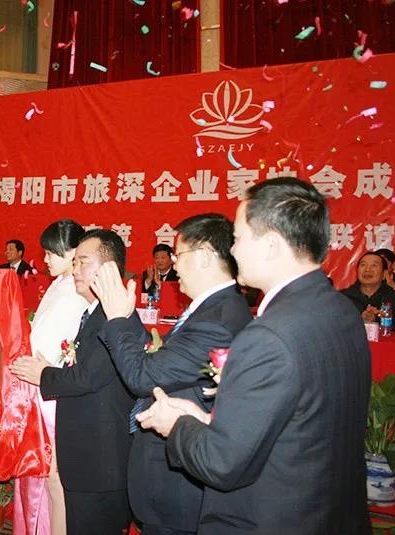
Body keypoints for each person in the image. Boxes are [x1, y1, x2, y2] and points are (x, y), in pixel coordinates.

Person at [139, 178, 372, 534]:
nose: (232, 251)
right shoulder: (341, 311)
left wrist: (176, 424)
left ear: (271, 245)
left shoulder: (267, 336)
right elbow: (295, 425)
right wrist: (205, 421)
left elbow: (222, 463)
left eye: (238, 238)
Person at [92, 214, 252, 535]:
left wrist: (116, 319)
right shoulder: (213, 309)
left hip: (179, 486)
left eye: (179, 254)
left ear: (204, 255)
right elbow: (161, 361)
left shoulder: (217, 320)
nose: (174, 263)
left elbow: (143, 377)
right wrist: (127, 317)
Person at [10, 229, 135, 535]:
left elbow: (88, 376)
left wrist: (42, 373)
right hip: (84, 452)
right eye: (74, 262)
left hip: (99, 458)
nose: (75, 270)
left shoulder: (115, 318)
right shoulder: (93, 313)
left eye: (83, 262)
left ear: (108, 268)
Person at [13, 220, 88, 535]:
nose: (45, 259)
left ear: (73, 252)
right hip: (39, 385)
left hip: (54, 390)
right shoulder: (59, 283)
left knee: (54, 476)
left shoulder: (79, 289)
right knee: (41, 474)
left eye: (51, 253)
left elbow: (72, 344)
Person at [340, 251, 395, 332]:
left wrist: (379, 319)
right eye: (363, 265)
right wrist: (359, 320)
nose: (367, 269)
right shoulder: (342, 298)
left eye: (374, 265)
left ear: (384, 274)